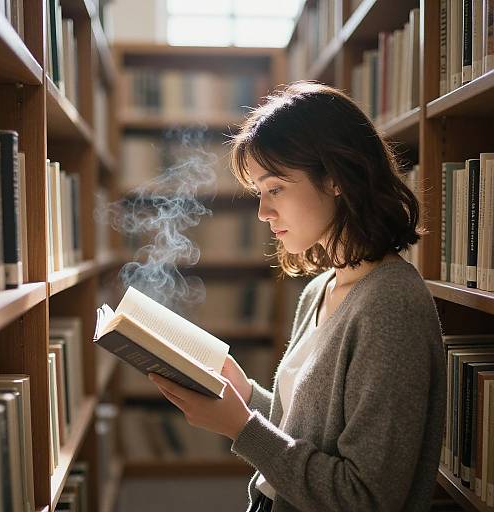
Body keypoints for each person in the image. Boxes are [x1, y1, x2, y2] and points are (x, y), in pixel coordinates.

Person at [149, 81, 447, 512]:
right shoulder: (319, 290)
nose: (263, 213)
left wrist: (242, 428)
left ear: (337, 179)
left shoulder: (391, 305)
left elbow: (365, 498)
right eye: (259, 193)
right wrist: (247, 397)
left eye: (276, 189)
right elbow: (309, 435)